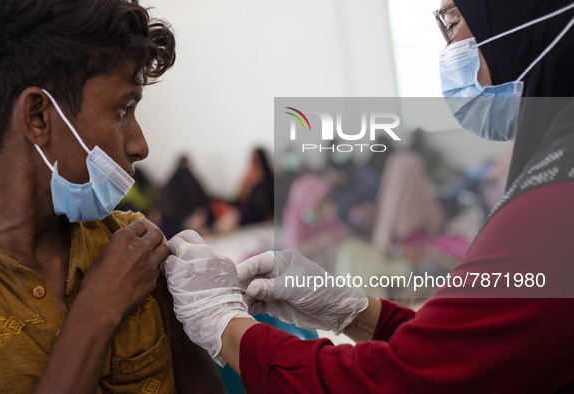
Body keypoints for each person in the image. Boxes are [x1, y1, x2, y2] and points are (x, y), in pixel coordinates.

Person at [162, 0, 574, 392]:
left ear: (513, 18)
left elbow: (400, 383)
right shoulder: (554, 168)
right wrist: (357, 312)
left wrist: (223, 325)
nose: (449, 45)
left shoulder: (554, 204)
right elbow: (474, 349)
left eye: (452, 18)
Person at [0, 1, 224, 392]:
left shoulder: (136, 249)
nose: (140, 145)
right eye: (123, 109)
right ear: (38, 117)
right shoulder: (127, 269)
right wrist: (98, 310)